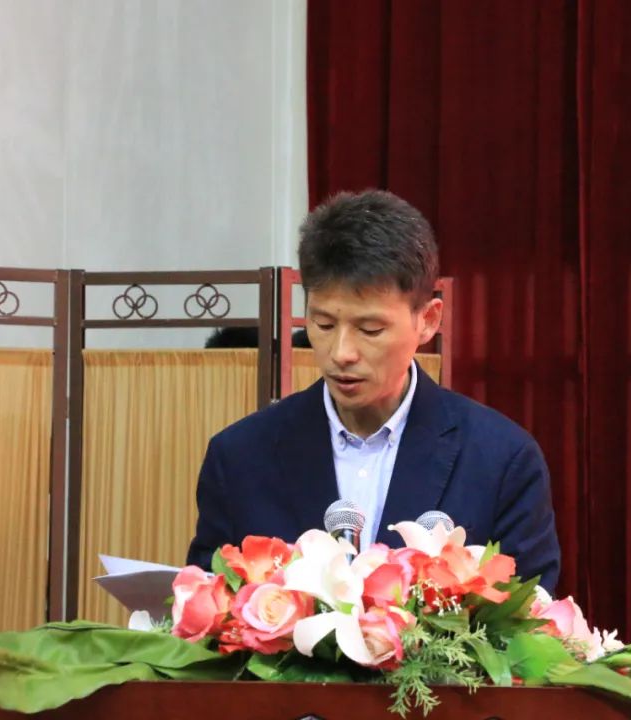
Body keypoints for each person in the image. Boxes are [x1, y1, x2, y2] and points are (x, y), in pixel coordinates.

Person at [186, 190, 560, 590]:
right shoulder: (240, 458)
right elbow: (210, 612)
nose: (341, 353)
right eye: (324, 324)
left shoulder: (501, 461)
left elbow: (528, 615)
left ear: (428, 320)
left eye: (370, 329)